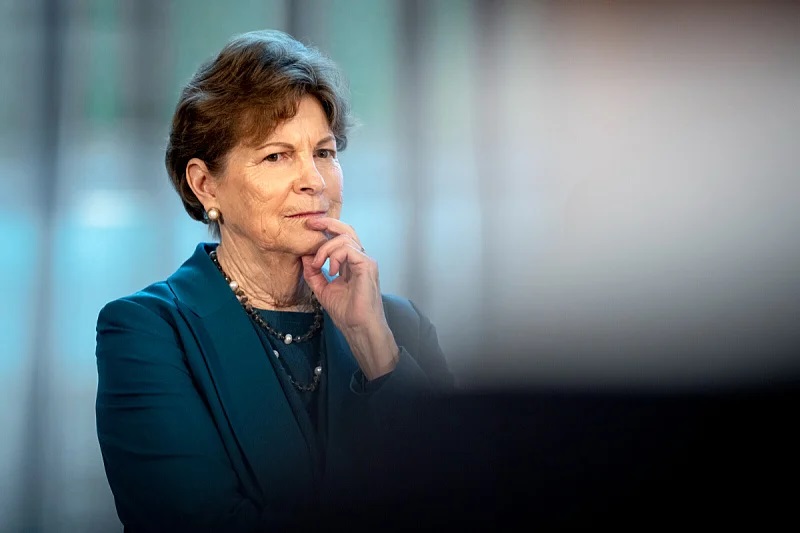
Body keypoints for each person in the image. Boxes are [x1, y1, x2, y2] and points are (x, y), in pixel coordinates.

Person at [95, 29, 454, 532]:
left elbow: (463, 497)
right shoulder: (147, 333)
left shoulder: (399, 326)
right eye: (276, 156)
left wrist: (374, 345)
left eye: (324, 152)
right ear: (205, 184)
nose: (314, 180)